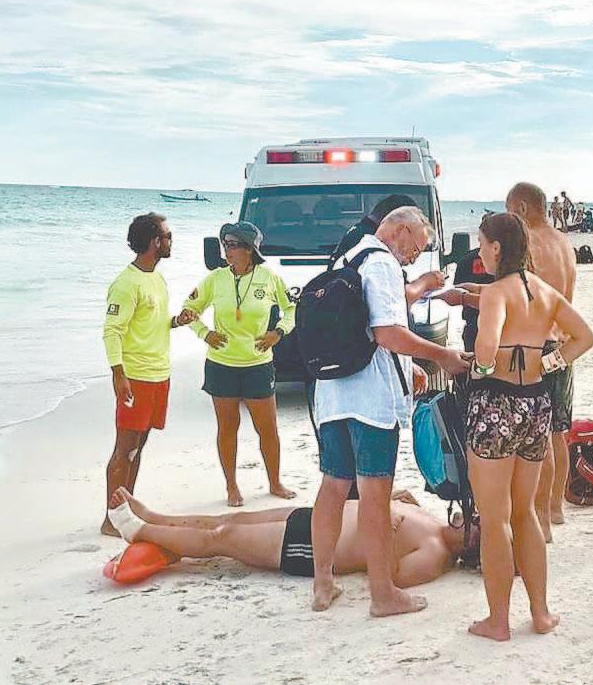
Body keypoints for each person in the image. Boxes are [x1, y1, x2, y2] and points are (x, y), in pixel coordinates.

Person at [309, 206, 469, 617]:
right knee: (375, 495)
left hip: (332, 392)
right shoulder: (381, 263)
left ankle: (323, 582)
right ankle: (383, 594)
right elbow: (387, 333)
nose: (416, 255)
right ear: (399, 230)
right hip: (370, 400)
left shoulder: (347, 254)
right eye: (418, 246)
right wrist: (442, 356)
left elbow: (361, 330)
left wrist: (408, 365)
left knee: (333, 486)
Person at [464, 212, 593, 642]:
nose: (480, 251)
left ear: (496, 247)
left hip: (496, 404)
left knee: (495, 519)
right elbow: (584, 337)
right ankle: (540, 612)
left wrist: (481, 366)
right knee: (525, 512)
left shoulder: (496, 294)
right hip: (537, 403)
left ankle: (498, 621)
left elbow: (486, 348)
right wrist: (547, 362)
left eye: (482, 243)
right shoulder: (543, 290)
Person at [441, 183, 579, 540]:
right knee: (557, 431)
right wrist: (471, 294)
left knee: (541, 441)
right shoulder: (563, 242)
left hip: (531, 349)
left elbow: (516, 298)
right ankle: (554, 508)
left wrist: (483, 363)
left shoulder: (530, 243)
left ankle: (539, 518)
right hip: (560, 345)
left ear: (521, 207)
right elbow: (533, 295)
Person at [106, 487, 478, 586]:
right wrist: (392, 500)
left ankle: (138, 530)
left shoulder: (434, 554)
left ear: (473, 544)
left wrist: (386, 529)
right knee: (232, 519)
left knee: (224, 536)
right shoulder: (432, 519)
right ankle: (156, 519)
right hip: (317, 518)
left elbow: (392, 576)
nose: (473, 516)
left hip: (312, 547)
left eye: (478, 524)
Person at [183, 222, 297, 507]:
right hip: (221, 365)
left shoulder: (269, 278)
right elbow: (188, 310)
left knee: (267, 429)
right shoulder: (215, 279)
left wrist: (278, 332)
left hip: (258, 365)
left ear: (249, 249)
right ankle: (231, 486)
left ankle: (275, 482)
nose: (227, 250)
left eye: (233, 245)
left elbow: (293, 309)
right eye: (225, 244)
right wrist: (204, 333)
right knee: (227, 428)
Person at [101, 213, 186, 536]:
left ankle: (128, 509)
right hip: (136, 376)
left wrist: (177, 321)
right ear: (154, 242)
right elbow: (112, 331)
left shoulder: (157, 279)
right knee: (125, 449)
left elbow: (154, 323)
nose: (171, 241)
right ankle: (111, 519)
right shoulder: (126, 283)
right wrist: (118, 374)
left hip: (158, 373)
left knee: (139, 446)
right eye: (167, 236)